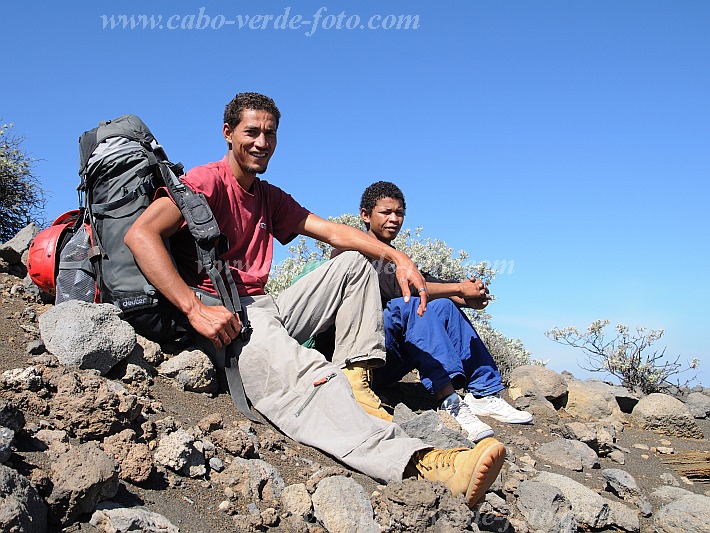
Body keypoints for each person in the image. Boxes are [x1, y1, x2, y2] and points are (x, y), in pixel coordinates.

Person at [124, 92, 505, 507]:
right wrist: (194, 309)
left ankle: (358, 381)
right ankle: (425, 464)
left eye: (270, 134)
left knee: (354, 263)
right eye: (251, 132)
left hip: (263, 305)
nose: (261, 142)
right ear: (228, 133)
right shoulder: (206, 181)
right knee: (308, 374)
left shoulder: (268, 196)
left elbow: (332, 232)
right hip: (225, 313)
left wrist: (397, 256)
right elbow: (140, 235)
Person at [358, 181, 533, 442]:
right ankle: (449, 402)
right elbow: (406, 289)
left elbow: (432, 285)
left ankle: (484, 393)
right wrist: (459, 287)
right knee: (411, 302)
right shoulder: (352, 250)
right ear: (365, 215)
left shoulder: (398, 259)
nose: (394, 219)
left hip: (390, 356)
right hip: (364, 360)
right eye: (386, 212)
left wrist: (466, 296)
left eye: (399, 213)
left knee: (442, 304)